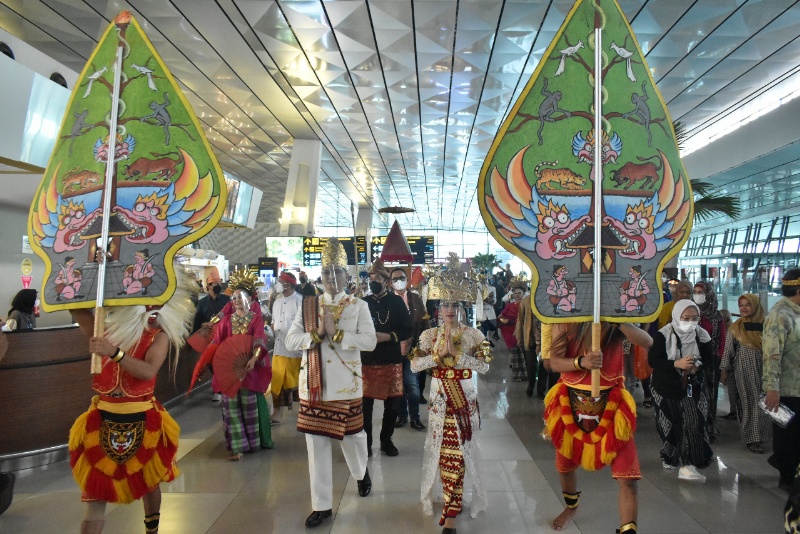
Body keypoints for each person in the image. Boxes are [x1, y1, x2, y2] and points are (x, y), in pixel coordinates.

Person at [67, 266, 196, 534]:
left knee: (149, 482)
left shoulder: (158, 336)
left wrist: (113, 353)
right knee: (94, 493)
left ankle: (152, 530)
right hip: (102, 416)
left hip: (141, 416)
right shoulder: (106, 329)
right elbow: (77, 309)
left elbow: (148, 371)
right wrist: (89, 272)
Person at [285, 238, 376, 528]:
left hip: (346, 384)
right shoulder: (308, 305)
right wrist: (316, 335)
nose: (332, 278)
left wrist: (338, 335)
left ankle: (361, 472)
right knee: (317, 444)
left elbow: (370, 341)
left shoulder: (358, 305)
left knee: (354, 437)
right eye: (327, 272)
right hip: (314, 384)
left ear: (346, 277)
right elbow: (290, 339)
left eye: (337, 272)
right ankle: (321, 505)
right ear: (320, 277)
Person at [546, 320, 651, 533]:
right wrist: (581, 362)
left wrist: (619, 322)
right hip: (570, 403)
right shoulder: (563, 320)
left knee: (628, 478)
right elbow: (552, 363)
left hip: (613, 406)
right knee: (565, 467)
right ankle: (571, 507)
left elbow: (647, 341)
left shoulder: (617, 322)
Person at [411, 253, 490, 534]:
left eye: (455, 304)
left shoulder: (474, 336)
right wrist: (438, 355)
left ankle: (451, 510)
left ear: (462, 307)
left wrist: (458, 356)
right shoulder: (428, 336)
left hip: (464, 402)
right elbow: (414, 364)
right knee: (444, 453)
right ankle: (449, 501)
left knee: (459, 453)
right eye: (445, 303)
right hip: (438, 403)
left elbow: (485, 366)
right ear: (437, 306)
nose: (450, 309)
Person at [198, 268, 272, 460]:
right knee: (231, 409)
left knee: (249, 408)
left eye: (240, 297)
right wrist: (205, 363)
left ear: (249, 299)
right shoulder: (226, 321)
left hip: (249, 369)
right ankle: (238, 447)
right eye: (234, 298)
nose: (236, 300)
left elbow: (259, 339)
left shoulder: (255, 319)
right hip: (230, 371)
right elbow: (217, 344)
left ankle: (253, 443)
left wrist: (254, 358)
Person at [649, 300, 714, 483]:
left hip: (692, 385)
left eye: (695, 318)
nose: (690, 322)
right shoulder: (664, 335)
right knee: (670, 424)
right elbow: (653, 361)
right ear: (677, 317)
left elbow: (709, 358)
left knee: (695, 421)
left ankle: (693, 461)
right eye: (686, 318)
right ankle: (670, 456)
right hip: (665, 385)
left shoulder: (702, 335)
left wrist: (697, 366)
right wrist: (676, 364)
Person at [361, 259, 412, 456]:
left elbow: (407, 329)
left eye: (378, 278)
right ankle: (366, 443)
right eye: (371, 278)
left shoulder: (396, 302)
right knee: (366, 407)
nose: (373, 281)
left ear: (386, 282)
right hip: (367, 360)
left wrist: (389, 336)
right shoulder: (362, 303)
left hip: (391, 359)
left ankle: (386, 439)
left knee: (392, 405)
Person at [763, 268, 800, 491]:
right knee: (788, 434)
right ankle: (787, 475)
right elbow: (771, 354)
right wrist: (772, 388)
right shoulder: (780, 315)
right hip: (786, 387)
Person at [720, 294, 770, 453]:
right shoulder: (736, 328)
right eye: (741, 305)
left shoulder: (768, 325)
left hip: (767, 369)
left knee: (765, 404)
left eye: (748, 305)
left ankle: (763, 436)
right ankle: (752, 438)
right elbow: (728, 351)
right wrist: (724, 371)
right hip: (744, 369)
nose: (744, 308)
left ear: (756, 306)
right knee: (749, 403)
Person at [391, 267, 431, 430]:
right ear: (390, 282)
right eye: (395, 279)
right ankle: (402, 416)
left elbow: (425, 323)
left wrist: (424, 346)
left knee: (413, 387)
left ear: (407, 280)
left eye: (401, 278)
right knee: (398, 388)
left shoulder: (415, 299)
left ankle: (415, 417)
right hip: (393, 352)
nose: (398, 281)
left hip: (413, 350)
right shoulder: (388, 300)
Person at [269, 270, 304, 424]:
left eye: (280, 281)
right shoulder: (276, 302)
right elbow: (273, 322)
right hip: (278, 348)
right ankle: (276, 413)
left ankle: (304, 413)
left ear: (287, 284)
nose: (278, 284)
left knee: (297, 383)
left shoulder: (300, 301)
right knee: (277, 381)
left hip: (295, 350)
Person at [192, 268, 230, 402]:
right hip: (209, 339)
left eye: (220, 282)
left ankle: (221, 389)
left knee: (223, 363)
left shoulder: (227, 300)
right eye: (215, 283)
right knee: (212, 363)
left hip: (224, 337)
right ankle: (219, 389)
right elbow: (197, 320)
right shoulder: (202, 303)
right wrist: (194, 336)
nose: (218, 285)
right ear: (208, 286)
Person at [693, 281, 727, 436]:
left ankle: (710, 426)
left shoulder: (717, 315)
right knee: (694, 393)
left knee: (711, 395)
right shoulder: (691, 312)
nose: (697, 295)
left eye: (701, 292)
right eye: (695, 292)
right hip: (693, 359)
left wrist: (721, 361)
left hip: (712, 361)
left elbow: (722, 340)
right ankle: (697, 426)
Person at [515, 288, 542, 397]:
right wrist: (519, 337)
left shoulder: (546, 299)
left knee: (543, 365)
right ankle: (531, 385)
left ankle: (541, 390)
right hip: (529, 338)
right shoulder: (526, 300)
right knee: (530, 364)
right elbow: (520, 320)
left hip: (545, 338)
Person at [498, 284, 525, 381]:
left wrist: (511, 321)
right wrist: (504, 321)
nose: (517, 295)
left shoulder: (526, 306)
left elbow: (526, 320)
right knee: (514, 354)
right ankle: (516, 374)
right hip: (510, 333)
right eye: (516, 293)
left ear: (523, 294)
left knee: (522, 354)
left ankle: (524, 374)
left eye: (519, 293)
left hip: (523, 333)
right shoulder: (510, 306)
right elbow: (501, 316)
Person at [718, 308, 740, 421]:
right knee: (731, 390)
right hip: (732, 364)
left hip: (733, 365)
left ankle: (735, 411)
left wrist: (724, 369)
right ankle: (734, 410)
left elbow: (728, 350)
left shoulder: (731, 330)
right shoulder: (731, 328)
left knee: (733, 389)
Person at [475, 276, 497, 344]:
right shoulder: (476, 289)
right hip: (480, 312)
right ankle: (483, 343)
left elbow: (495, 300)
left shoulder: (492, 288)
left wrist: (491, 300)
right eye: (482, 279)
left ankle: (489, 339)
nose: (483, 281)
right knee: (482, 329)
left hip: (490, 312)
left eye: (485, 279)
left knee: (493, 327)